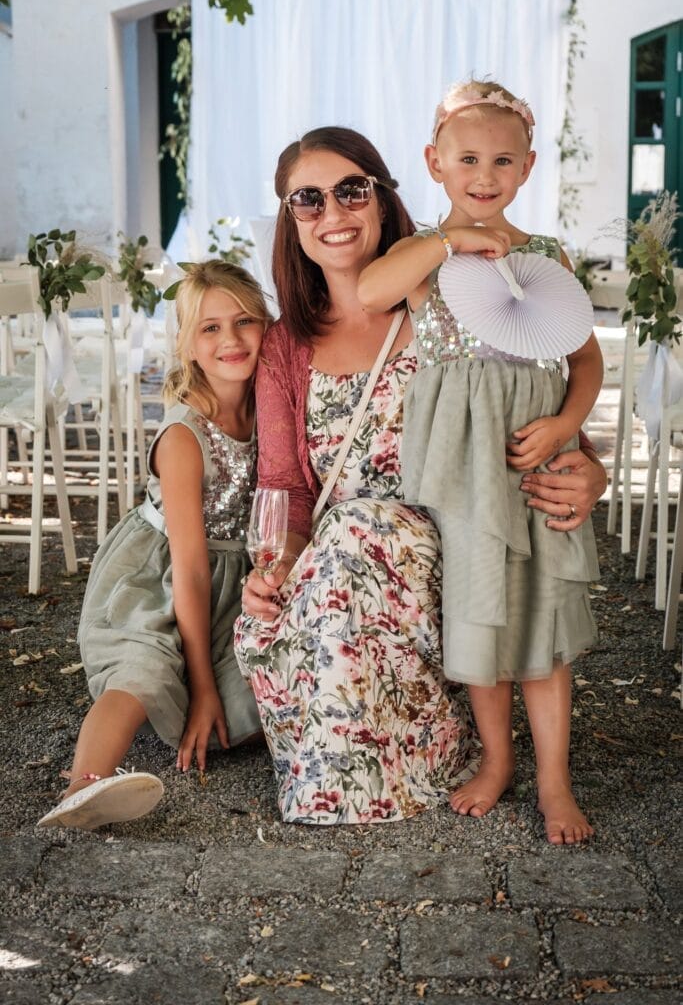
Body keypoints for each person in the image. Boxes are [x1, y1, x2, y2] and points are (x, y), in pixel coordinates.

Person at [235, 125, 607, 830]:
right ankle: (354, 769)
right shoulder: (287, 344)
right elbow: (284, 484)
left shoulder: (448, 296)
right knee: (338, 544)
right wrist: (279, 559)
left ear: (383, 196)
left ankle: (380, 766)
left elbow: (539, 404)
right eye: (306, 201)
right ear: (289, 222)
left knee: (359, 533)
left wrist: (590, 469)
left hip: (457, 540)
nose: (333, 213)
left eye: (351, 190)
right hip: (343, 578)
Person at [358, 80, 603, 844]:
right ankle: (497, 760)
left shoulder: (546, 257)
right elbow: (371, 292)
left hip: (536, 449)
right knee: (479, 610)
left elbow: (585, 359)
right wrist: (448, 242)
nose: (484, 175)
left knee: (542, 611)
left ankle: (554, 779)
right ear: (434, 163)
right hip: (467, 465)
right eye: (466, 159)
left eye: (502, 160)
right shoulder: (420, 255)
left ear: (526, 168)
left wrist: (565, 419)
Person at [38, 261, 269, 831]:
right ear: (188, 344)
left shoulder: (273, 411)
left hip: (231, 584)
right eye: (210, 328)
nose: (230, 339)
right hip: (161, 574)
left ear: (268, 328)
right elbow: (189, 571)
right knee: (141, 668)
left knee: (259, 675)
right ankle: (83, 787)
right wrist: (203, 688)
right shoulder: (184, 436)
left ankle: (206, 695)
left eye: (244, 321)